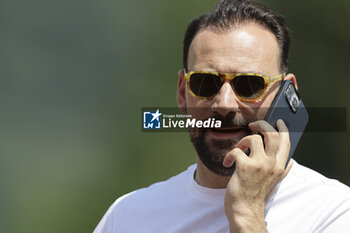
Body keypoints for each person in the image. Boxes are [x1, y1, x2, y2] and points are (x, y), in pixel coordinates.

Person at [94, 0, 350, 232]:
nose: (225, 104)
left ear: (286, 94)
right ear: (183, 94)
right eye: (205, 83)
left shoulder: (334, 210)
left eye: (250, 85)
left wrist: (248, 215)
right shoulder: (127, 216)